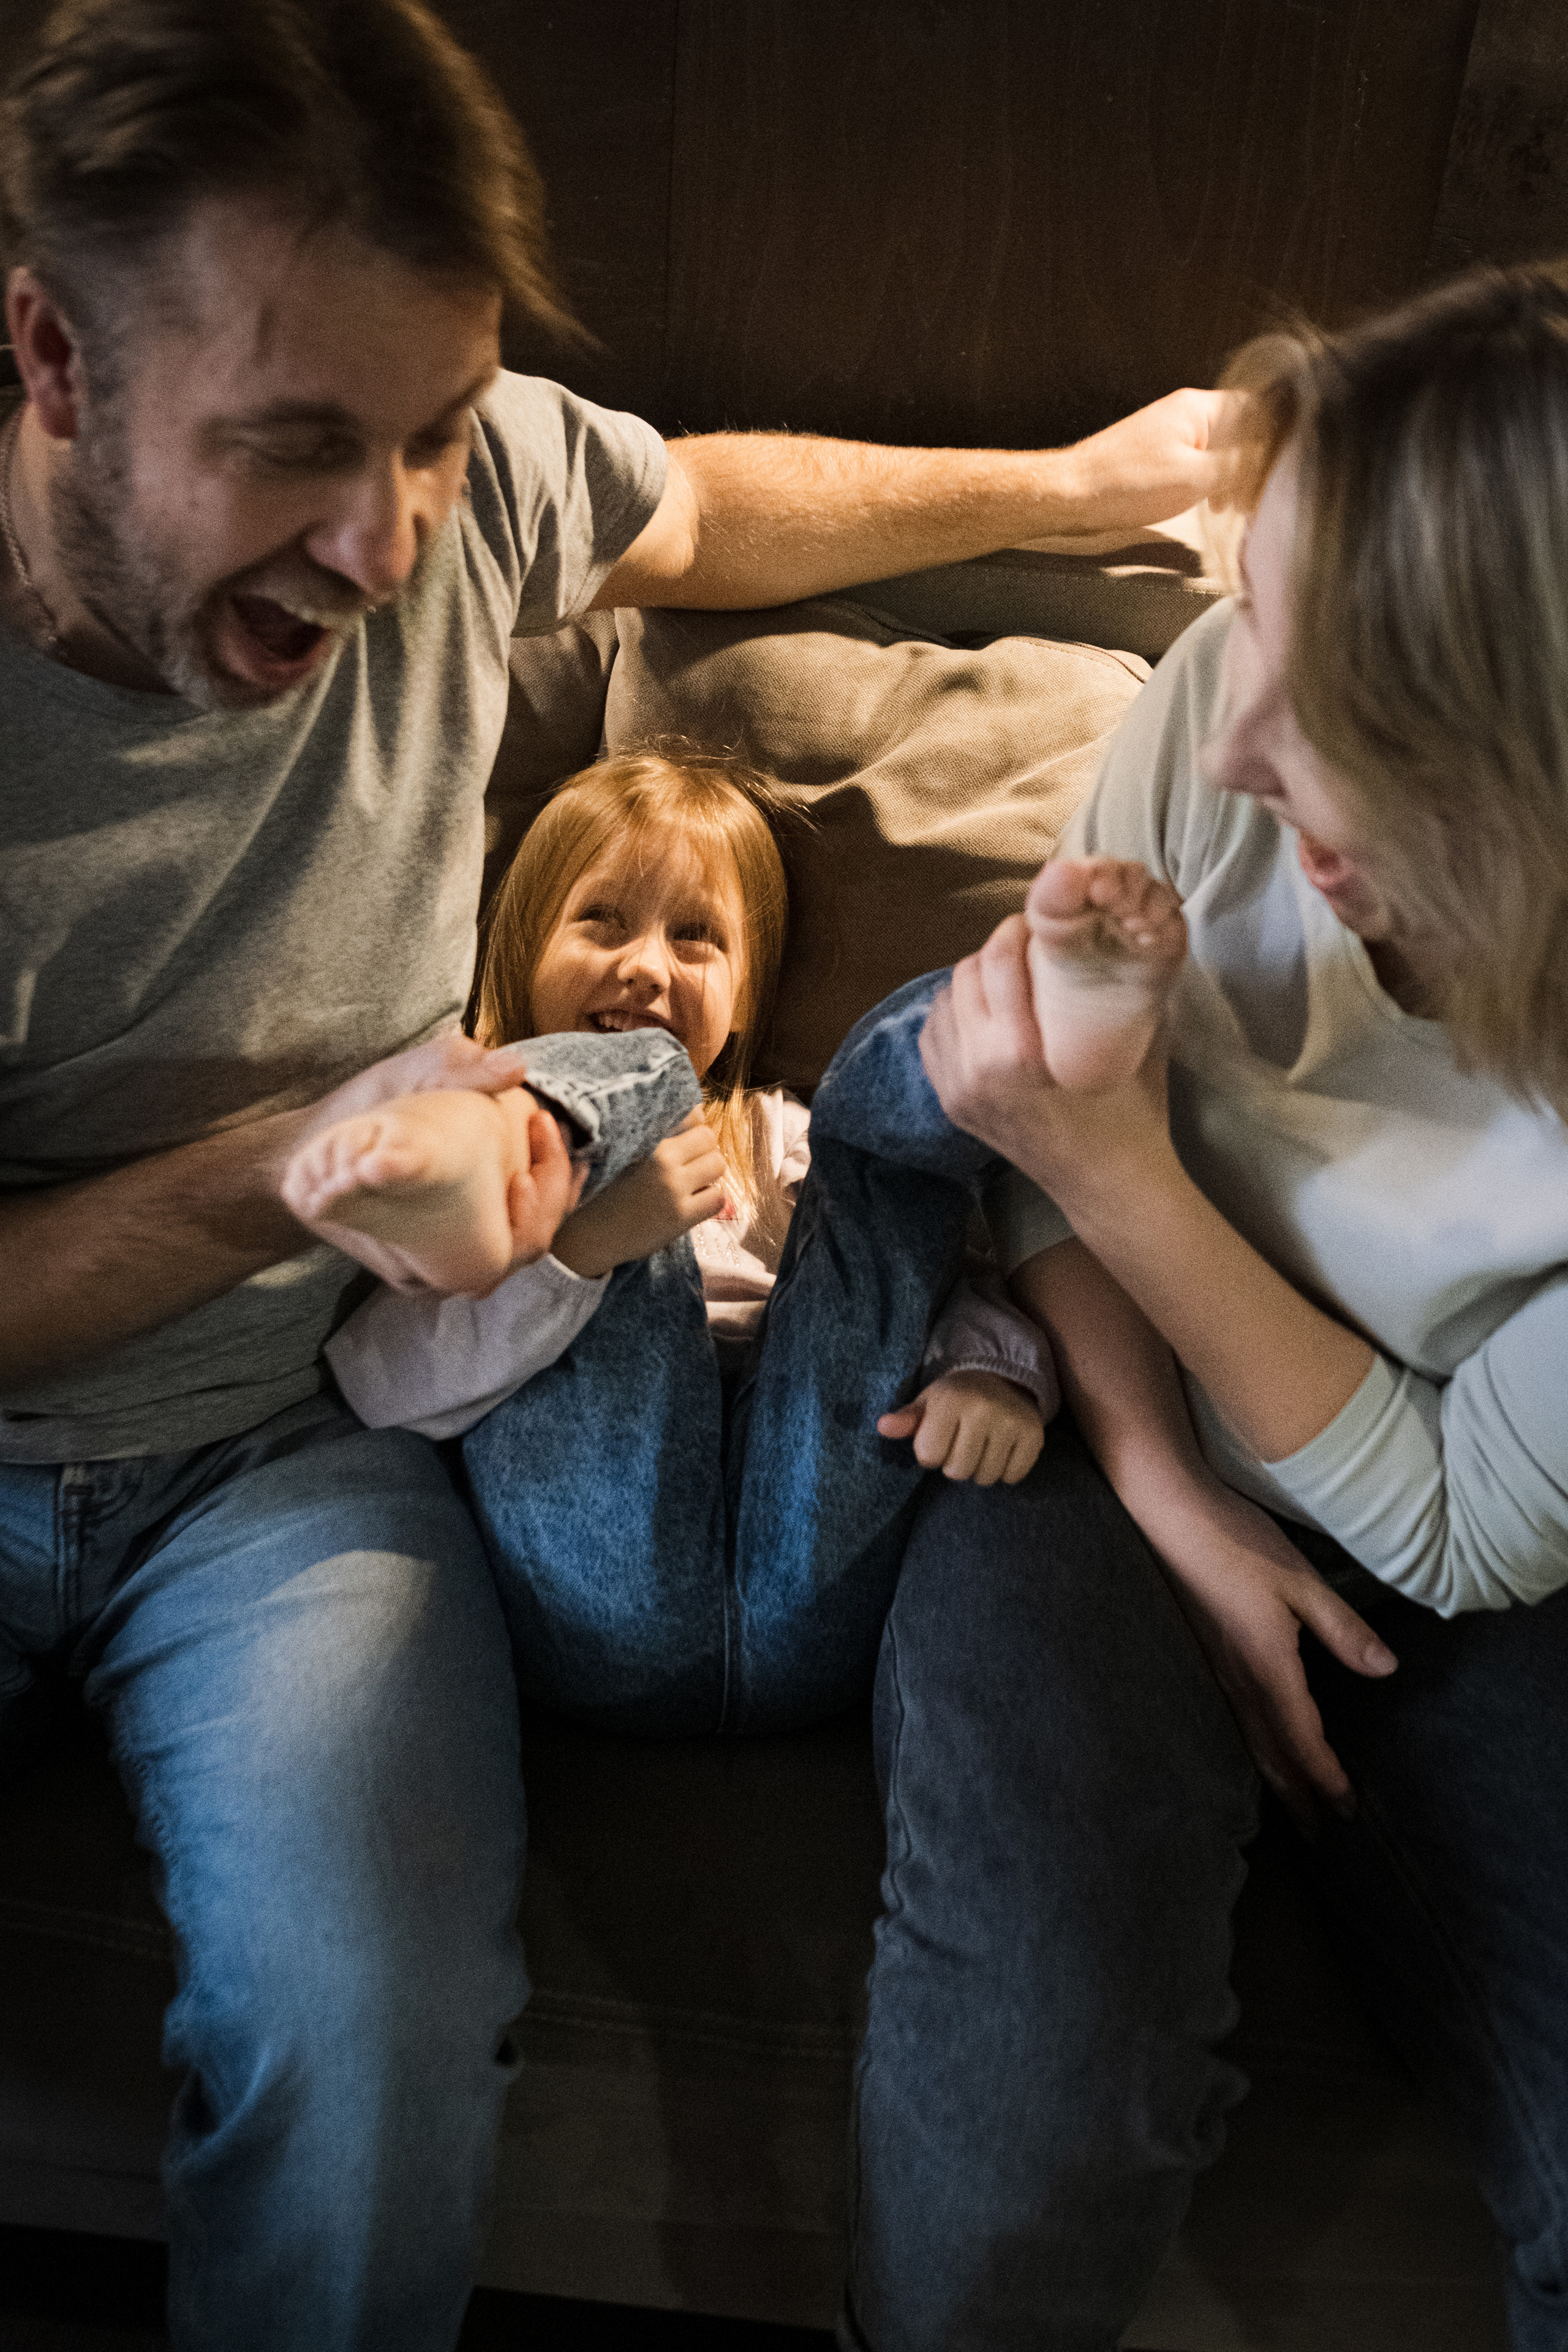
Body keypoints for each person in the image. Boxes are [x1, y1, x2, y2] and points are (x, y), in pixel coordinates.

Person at [0, 2, 1242, 2344]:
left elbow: (693, 501)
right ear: (54, 359)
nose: (386, 545)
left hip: (294, 1463)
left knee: (363, 2038)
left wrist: (1075, 490)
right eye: (293, 453)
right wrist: (277, 1177)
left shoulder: (464, 510)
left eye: (441, 444)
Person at [907, 262, 1568, 2352]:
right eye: (1252, 623)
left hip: (1458, 1568)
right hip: (1101, 1419)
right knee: (1029, 2107)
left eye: (1337, 698)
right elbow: (1029, 1160)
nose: (1237, 723)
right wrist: (1178, 1515)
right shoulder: (1213, 701)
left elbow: (1467, 1532)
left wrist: (1115, 1158)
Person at [288, 752, 1054, 1732]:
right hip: (599, 1603)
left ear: (742, 1000)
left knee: (874, 1167)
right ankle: (592, 1131)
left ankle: (1012, 1015)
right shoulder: (467, 1166)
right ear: (522, 948)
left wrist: (990, 1373)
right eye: (602, 920)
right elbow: (377, 1387)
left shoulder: (781, 1137)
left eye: (697, 940)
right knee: (614, 1131)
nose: (647, 965)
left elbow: (931, 1286)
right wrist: (582, 1251)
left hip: (823, 1575)